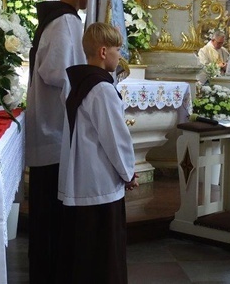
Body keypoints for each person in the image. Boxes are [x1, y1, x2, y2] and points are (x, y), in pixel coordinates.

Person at [25, 0, 89, 284]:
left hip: (49, 131)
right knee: (51, 213)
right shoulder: (66, 22)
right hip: (55, 132)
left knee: (45, 213)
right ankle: (49, 273)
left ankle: (45, 270)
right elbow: (55, 73)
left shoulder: (57, 19)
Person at [59, 23, 137, 284]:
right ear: (103, 51)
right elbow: (116, 138)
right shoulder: (102, 89)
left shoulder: (74, 82)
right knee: (105, 256)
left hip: (80, 177)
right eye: (117, 49)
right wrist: (128, 173)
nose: (119, 55)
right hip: (101, 181)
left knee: (85, 254)